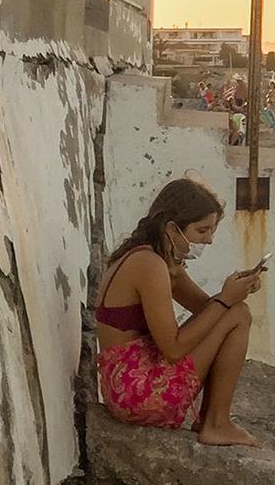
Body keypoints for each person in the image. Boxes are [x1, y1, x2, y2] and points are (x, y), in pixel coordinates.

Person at [94, 178, 263, 447]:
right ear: (173, 228)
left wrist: (235, 293)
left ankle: (212, 420)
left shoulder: (161, 261)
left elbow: (209, 313)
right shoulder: (148, 264)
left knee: (236, 311)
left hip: (127, 387)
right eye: (202, 230)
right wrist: (226, 300)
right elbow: (173, 349)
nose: (208, 240)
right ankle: (216, 423)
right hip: (138, 393)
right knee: (238, 314)